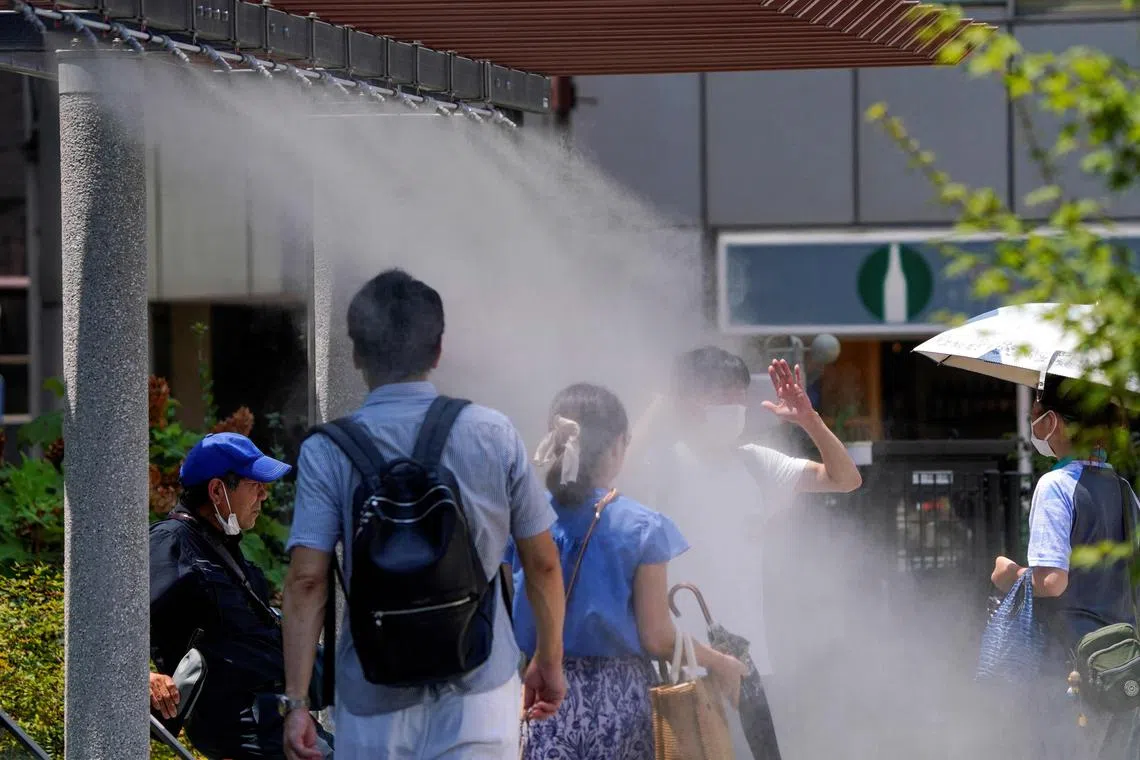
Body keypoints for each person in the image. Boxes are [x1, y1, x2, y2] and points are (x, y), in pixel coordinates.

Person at [280, 268, 567, 760]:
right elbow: (541, 564)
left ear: (356, 354)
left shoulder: (328, 451)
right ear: (438, 350)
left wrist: (298, 702)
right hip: (480, 687)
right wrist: (549, 660)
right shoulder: (492, 433)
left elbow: (307, 580)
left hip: (373, 697)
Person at [625, 346, 862, 758]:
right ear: (689, 401)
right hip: (680, 660)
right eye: (719, 396)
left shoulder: (757, 465)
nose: (733, 407)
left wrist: (810, 419)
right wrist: (660, 403)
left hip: (749, 662)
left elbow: (845, 479)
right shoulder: (662, 465)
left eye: (738, 396)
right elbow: (618, 479)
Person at [511, 383, 749, 759]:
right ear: (618, 445)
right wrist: (721, 662)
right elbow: (657, 638)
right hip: (620, 703)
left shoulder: (526, 518)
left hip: (541, 696)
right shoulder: (641, 527)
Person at [149, 432, 332, 759]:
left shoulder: (224, 549)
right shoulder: (170, 543)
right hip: (239, 727)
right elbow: (114, 625)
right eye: (255, 484)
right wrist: (144, 676)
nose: (265, 495)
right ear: (217, 490)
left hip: (276, 718)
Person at [990, 374, 1140, 759]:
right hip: (1123, 670)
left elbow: (1052, 582)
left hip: (1069, 670)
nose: (1033, 417)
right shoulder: (1124, 490)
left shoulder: (1056, 485)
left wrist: (1010, 574)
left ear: (1054, 421)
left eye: (1037, 407)